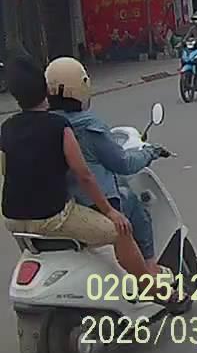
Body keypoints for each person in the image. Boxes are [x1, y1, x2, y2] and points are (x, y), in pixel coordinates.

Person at [0, 55, 154, 278]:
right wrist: (110, 212)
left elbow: (6, 170)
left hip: (13, 219)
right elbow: (84, 175)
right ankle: (152, 286)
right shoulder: (60, 125)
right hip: (52, 217)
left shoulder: (7, 127)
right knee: (121, 230)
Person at [46, 57, 164, 272]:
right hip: (94, 206)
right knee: (132, 203)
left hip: (62, 207)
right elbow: (124, 164)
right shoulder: (88, 127)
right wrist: (151, 152)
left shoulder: (45, 124)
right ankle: (150, 269)